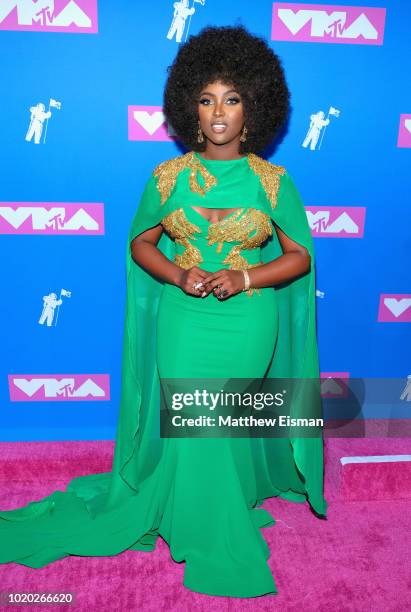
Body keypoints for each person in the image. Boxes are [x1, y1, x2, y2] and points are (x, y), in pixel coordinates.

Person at [0, 25, 327, 598]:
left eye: (232, 98)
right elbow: (140, 243)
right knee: (192, 421)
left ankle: (207, 515)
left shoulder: (274, 182)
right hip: (184, 318)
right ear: (189, 109)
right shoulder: (167, 178)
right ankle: (196, 516)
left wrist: (245, 274)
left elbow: (299, 257)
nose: (218, 112)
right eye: (206, 99)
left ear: (253, 105)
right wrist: (181, 274)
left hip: (249, 320)